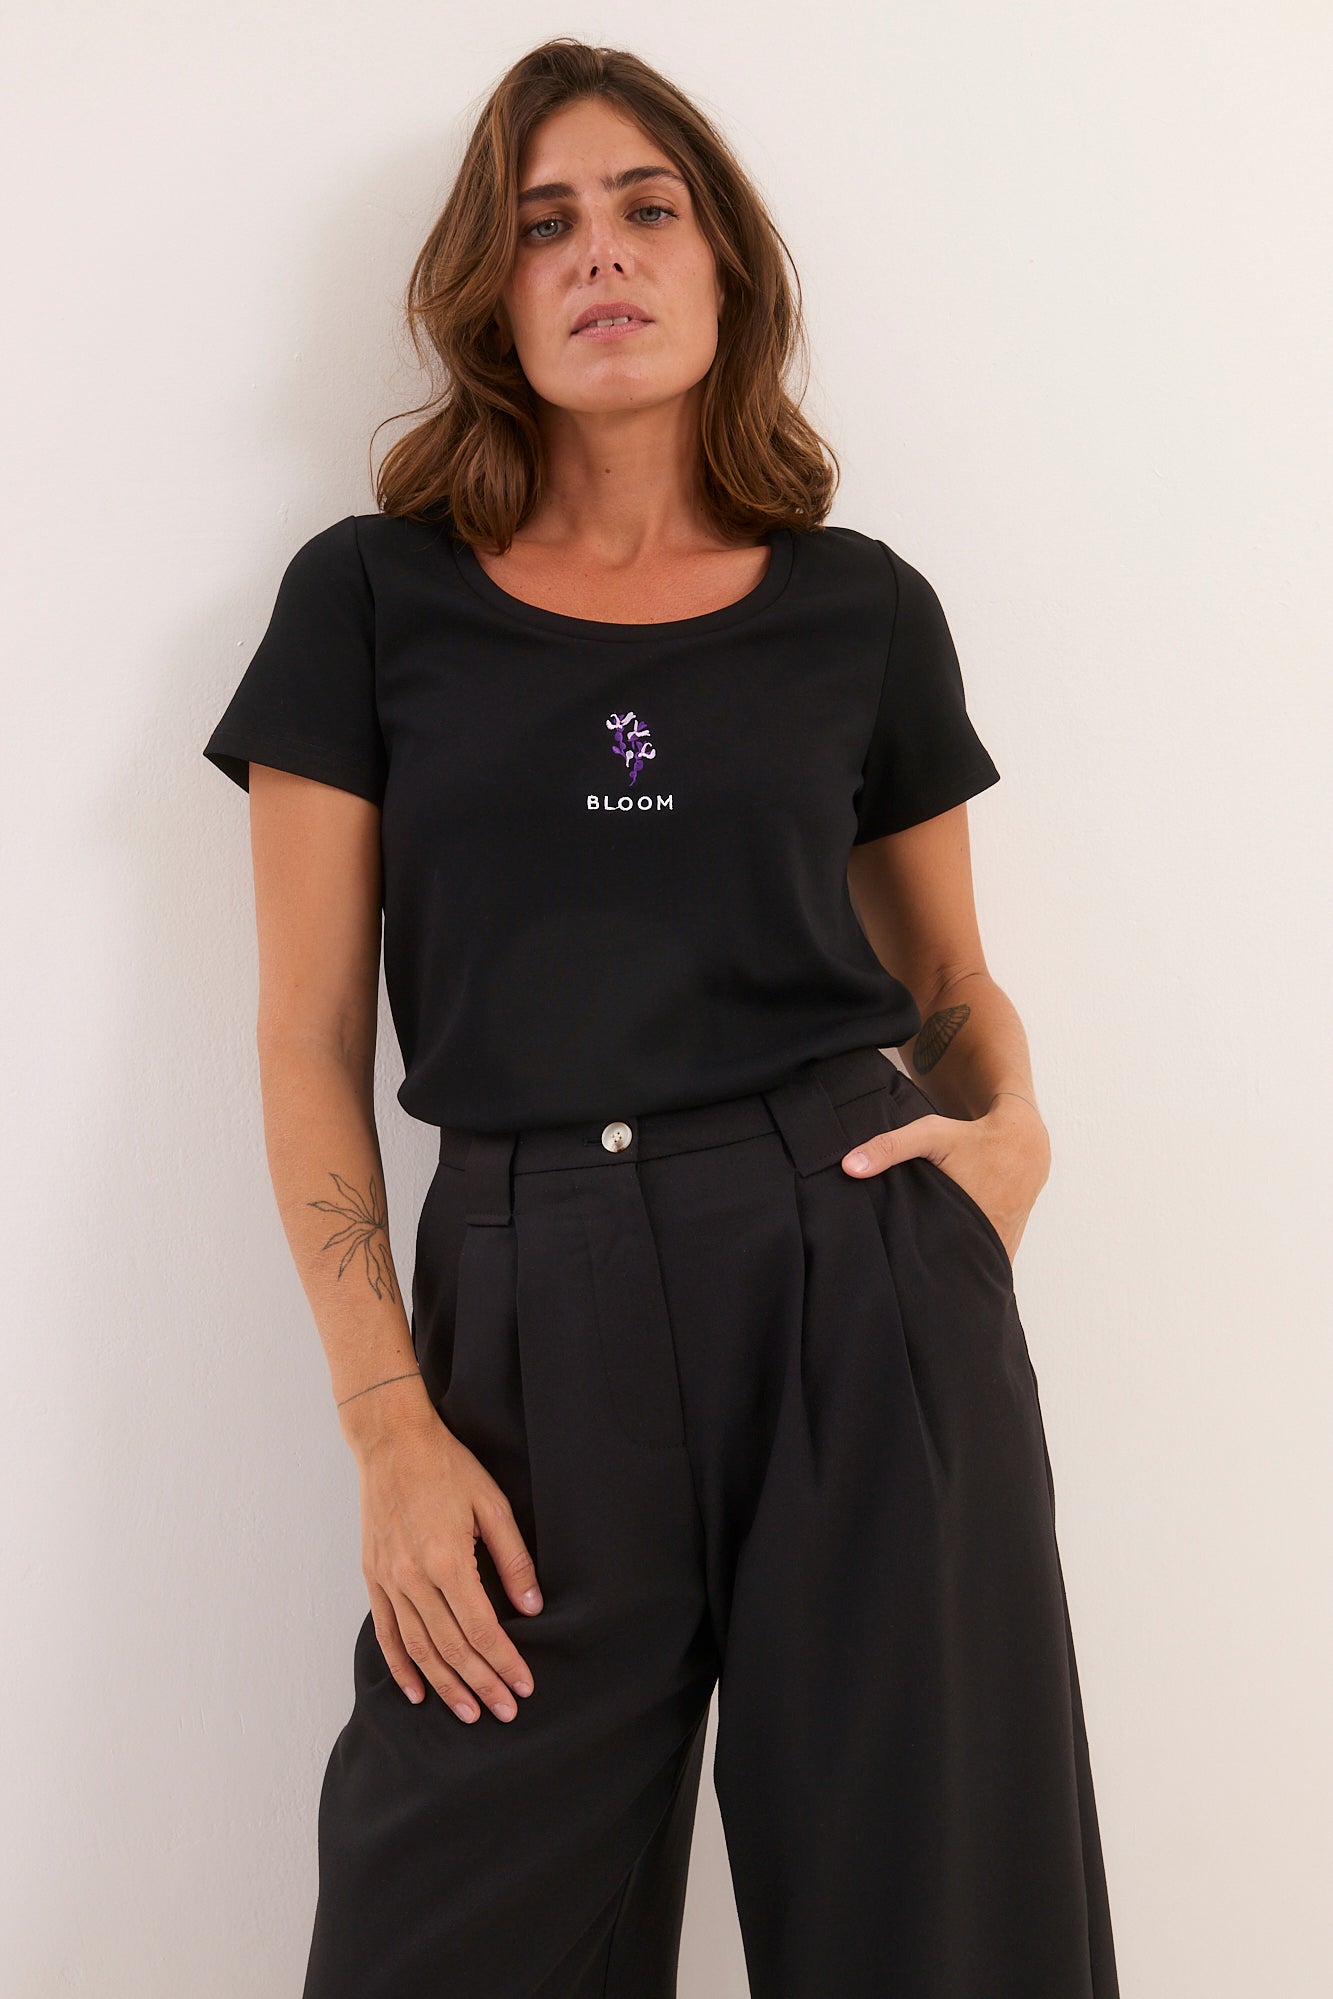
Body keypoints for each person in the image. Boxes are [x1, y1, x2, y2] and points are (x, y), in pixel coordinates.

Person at [202, 36, 1120, 1999]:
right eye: (544, 226)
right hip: (528, 1324)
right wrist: (387, 1426)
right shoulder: (368, 602)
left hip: (857, 1291)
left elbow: (950, 986)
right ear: (492, 294)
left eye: (646, 208)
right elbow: (305, 1041)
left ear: (726, 271)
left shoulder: (858, 610)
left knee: (940, 1937)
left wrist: (1011, 1138)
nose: (600, 253)